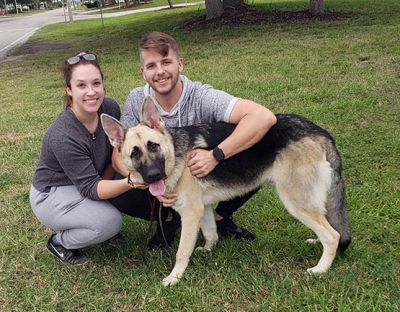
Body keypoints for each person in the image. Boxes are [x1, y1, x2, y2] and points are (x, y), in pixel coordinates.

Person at [110, 32, 277, 249]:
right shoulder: (136, 99)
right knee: (123, 183)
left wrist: (217, 155)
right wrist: (146, 184)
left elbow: (263, 117)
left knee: (255, 145)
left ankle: (220, 216)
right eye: (151, 66)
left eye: (166, 62)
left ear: (180, 64)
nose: (160, 72)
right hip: (163, 176)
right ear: (143, 73)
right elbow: (117, 156)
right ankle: (168, 220)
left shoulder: (201, 96)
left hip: (201, 170)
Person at [30, 52, 140, 265]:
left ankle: (97, 219)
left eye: (96, 83)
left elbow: (114, 154)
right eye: (81, 85)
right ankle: (60, 242)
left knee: (127, 165)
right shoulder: (63, 135)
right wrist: (131, 181)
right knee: (109, 222)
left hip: (89, 176)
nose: (91, 92)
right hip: (53, 192)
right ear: (69, 90)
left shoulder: (109, 108)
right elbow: (91, 187)